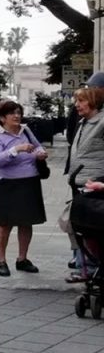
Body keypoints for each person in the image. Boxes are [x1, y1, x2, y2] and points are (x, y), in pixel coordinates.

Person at [0, 100, 49, 277]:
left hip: (29, 181)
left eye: (18, 112)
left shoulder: (25, 130)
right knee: (5, 223)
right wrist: (16, 149)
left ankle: (22, 259)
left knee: (26, 221)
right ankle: (1, 260)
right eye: (12, 113)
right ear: (2, 118)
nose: (17, 116)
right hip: (8, 183)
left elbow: (37, 146)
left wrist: (40, 153)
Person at [65, 87, 104, 281]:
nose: (77, 105)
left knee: (94, 227)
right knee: (79, 225)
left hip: (95, 184)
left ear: (93, 102)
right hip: (79, 182)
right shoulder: (83, 122)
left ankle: (90, 266)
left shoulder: (102, 122)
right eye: (76, 101)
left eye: (81, 101)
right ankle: (85, 267)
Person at [65, 72, 104, 173]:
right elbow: (71, 135)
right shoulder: (79, 110)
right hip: (78, 173)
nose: (89, 90)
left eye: (93, 87)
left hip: (96, 177)